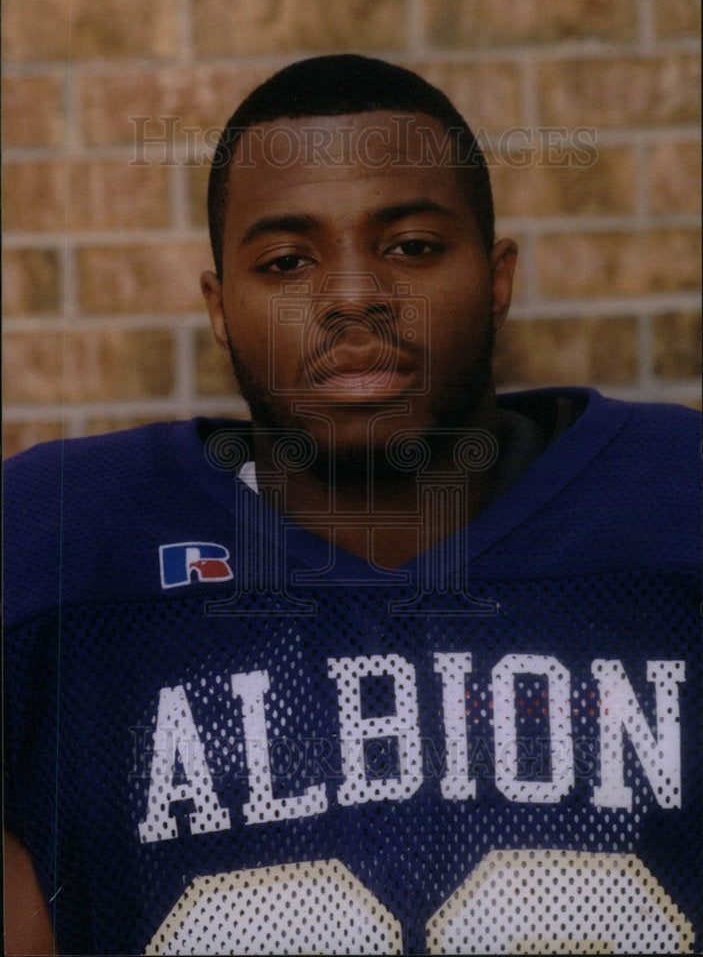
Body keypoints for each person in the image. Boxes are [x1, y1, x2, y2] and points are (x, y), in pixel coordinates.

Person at [4, 54, 700, 956]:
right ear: (219, 308)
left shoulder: (675, 503)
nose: (351, 298)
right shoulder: (61, 545)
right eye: (287, 260)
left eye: (410, 247)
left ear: (496, 279)